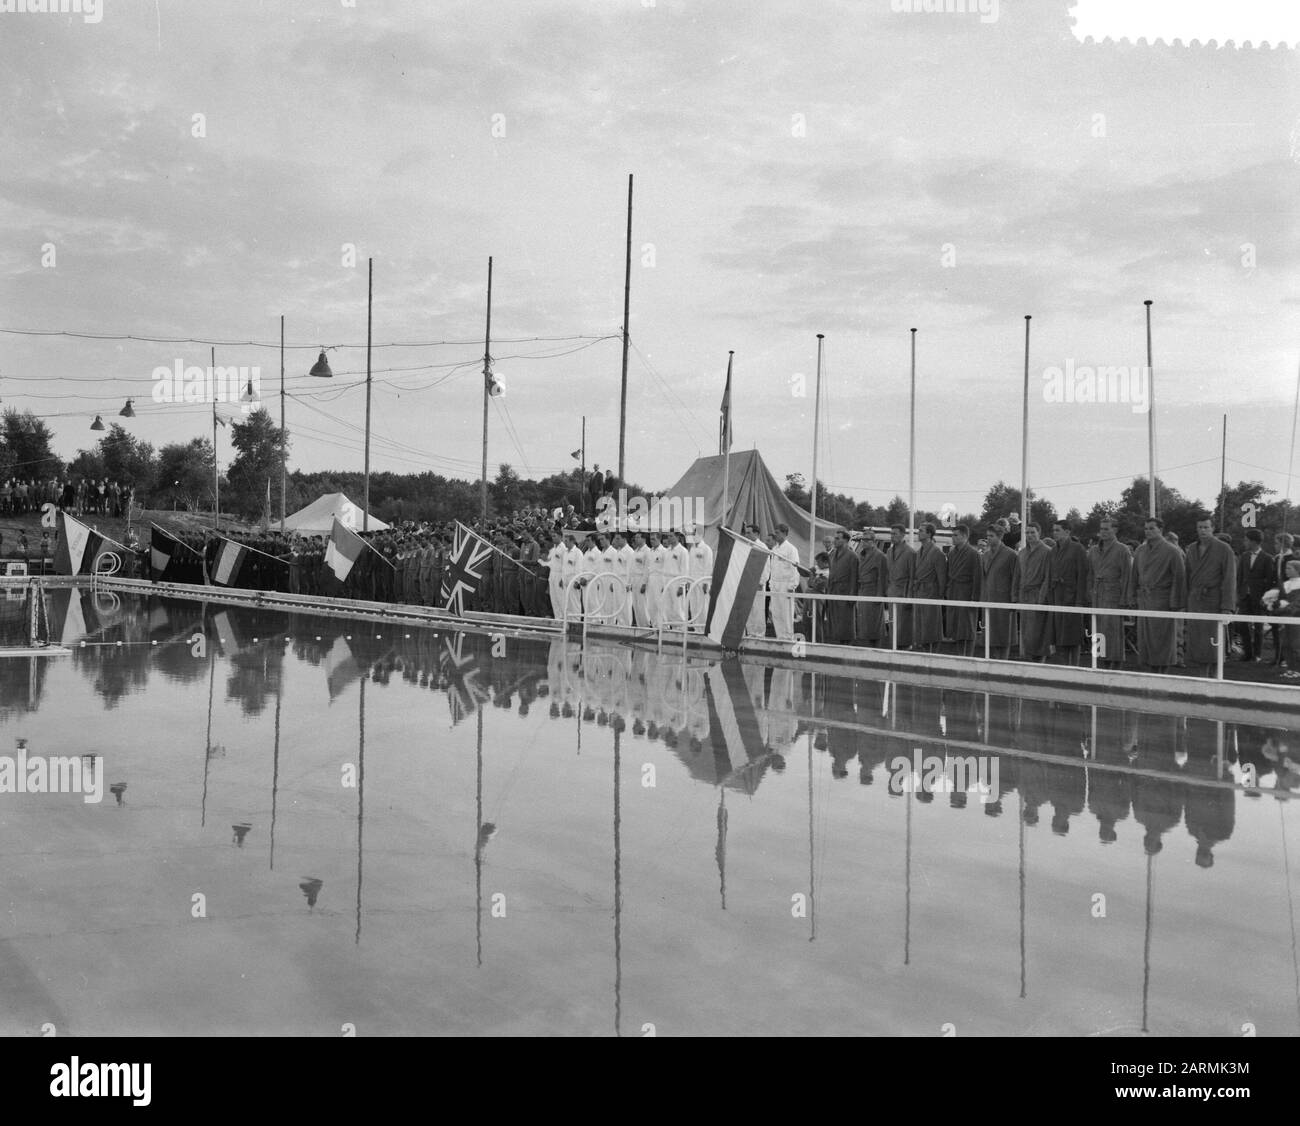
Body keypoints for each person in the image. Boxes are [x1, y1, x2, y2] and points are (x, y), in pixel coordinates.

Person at [1125, 516, 1187, 673]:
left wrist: (1175, 603)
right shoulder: (1140, 550)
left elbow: (1179, 578)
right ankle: (1151, 671)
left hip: (1163, 600)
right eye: (1146, 528)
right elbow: (1134, 576)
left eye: (1152, 528)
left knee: (1162, 639)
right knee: (1145, 639)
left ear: (1161, 530)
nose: (1148, 531)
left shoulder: (1172, 551)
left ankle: (1163, 672)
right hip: (1144, 600)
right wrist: (1132, 596)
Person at [1184, 518, 1237, 676]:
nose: (1203, 530)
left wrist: (1227, 607)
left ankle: (1214, 678)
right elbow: (1187, 576)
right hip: (1195, 600)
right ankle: (1202, 677)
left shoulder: (1224, 549)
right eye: (1200, 527)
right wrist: (1184, 601)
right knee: (1197, 642)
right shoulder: (1192, 549)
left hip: (1214, 600)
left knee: (1214, 642)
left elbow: (1229, 579)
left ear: (1213, 528)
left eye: (1206, 527)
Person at [1086, 517, 1132, 668]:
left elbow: (1127, 576)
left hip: (1113, 595)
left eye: (1107, 529)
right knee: (1098, 632)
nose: (1103, 532)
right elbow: (1090, 575)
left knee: (1113, 632)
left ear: (1115, 530)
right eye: (1101, 529)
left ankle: (1116, 666)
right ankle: (1101, 665)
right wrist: (1089, 593)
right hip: (1097, 595)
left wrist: (1125, 599)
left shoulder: (1122, 550)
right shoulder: (1093, 551)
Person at [1049, 520, 1089, 665]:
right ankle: (1064, 667)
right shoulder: (1053, 550)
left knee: (1073, 636)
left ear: (1067, 531)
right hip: (1057, 597)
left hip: (1072, 597)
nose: (1054, 533)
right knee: (1060, 636)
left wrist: (1079, 602)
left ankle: (1075, 666)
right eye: (1053, 530)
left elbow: (1082, 576)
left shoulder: (1078, 549)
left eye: (1058, 530)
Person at [1013, 522, 1053, 661]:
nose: (1029, 535)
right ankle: (1028, 658)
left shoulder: (1047, 551)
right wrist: (1015, 596)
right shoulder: (1022, 553)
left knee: (1039, 631)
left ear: (1039, 533)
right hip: (1024, 596)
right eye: (1027, 533)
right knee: (1026, 631)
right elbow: (1017, 576)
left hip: (1038, 596)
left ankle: (1040, 661)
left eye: (1032, 532)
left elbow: (1047, 577)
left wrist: (1041, 599)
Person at [1236, 528, 1273, 662]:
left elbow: (1269, 580)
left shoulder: (1267, 558)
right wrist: (1239, 593)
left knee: (1258, 626)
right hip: (1244, 596)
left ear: (1253, 541)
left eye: (1246, 540)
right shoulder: (1244, 556)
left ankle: (1257, 654)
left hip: (1259, 598)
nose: (1244, 542)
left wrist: (1265, 597)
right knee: (1242, 625)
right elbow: (1239, 576)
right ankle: (1247, 652)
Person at [944, 524, 981, 656]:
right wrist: (948, 591)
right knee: (956, 628)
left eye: (956, 535)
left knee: (967, 628)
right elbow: (948, 573)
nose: (953, 538)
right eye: (952, 535)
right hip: (954, 592)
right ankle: (960, 655)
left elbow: (978, 578)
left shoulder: (973, 554)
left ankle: (968, 656)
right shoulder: (952, 553)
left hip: (966, 593)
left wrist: (974, 599)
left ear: (965, 536)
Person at [981, 525, 1017, 659]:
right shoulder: (985, 555)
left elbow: (1015, 578)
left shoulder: (1010, 554)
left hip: (1004, 599)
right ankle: (994, 661)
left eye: (992, 536)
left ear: (1000, 537)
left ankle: (1004, 662)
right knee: (991, 635)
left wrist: (1014, 599)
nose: (988, 539)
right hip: (989, 598)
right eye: (987, 536)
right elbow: (983, 578)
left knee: (1004, 634)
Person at [911, 523, 947, 651]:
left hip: (931, 593)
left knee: (931, 625)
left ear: (929, 534)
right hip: (919, 592)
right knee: (920, 626)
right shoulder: (918, 552)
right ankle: (923, 650)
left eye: (921, 531)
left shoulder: (937, 553)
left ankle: (933, 652)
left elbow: (942, 578)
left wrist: (940, 595)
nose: (918, 533)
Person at [854, 531, 889, 646]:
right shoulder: (861, 555)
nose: (864, 542)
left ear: (873, 542)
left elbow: (882, 577)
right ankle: (867, 646)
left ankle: (877, 647)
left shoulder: (880, 556)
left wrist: (879, 596)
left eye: (867, 540)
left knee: (875, 623)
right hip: (862, 591)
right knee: (864, 623)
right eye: (862, 539)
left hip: (873, 592)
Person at [769, 523, 802, 642]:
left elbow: (795, 569)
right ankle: (780, 637)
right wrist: (771, 584)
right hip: (775, 584)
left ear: (784, 533)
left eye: (777, 533)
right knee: (776, 612)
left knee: (786, 613)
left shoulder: (791, 549)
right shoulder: (775, 548)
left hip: (786, 584)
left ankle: (788, 638)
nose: (775, 535)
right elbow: (772, 567)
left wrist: (792, 586)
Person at [885, 525, 916, 649]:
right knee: (893, 622)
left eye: (895, 534)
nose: (892, 536)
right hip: (892, 591)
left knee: (903, 623)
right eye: (891, 533)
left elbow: (912, 576)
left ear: (903, 535)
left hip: (904, 592)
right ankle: (894, 646)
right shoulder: (888, 551)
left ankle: (905, 647)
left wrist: (909, 596)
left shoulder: (910, 552)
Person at [825, 530, 858, 644]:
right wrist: (828, 591)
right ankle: (839, 644)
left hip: (845, 591)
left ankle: (847, 645)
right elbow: (830, 573)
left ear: (846, 540)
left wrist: (852, 595)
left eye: (838, 538)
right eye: (835, 538)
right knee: (835, 621)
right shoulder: (833, 554)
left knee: (846, 621)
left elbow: (854, 577)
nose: (835, 540)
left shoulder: (852, 556)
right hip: (833, 591)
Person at [745, 524, 771, 639]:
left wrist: (761, 582)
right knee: (749, 608)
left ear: (756, 533)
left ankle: (759, 634)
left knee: (758, 609)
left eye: (749, 533)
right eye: (746, 533)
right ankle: (751, 632)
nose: (747, 535)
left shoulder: (762, 547)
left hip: (758, 582)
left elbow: (766, 567)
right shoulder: (747, 545)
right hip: (747, 581)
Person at [661, 530, 690, 625]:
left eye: (671, 536)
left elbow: (684, 569)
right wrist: (663, 584)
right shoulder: (667, 551)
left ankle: (681, 630)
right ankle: (672, 629)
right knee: (667, 607)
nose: (669, 538)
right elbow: (664, 568)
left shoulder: (683, 551)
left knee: (678, 607)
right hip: (667, 580)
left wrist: (682, 586)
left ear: (677, 537)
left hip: (677, 581)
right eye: (668, 536)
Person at [687, 532, 714, 631]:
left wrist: (706, 583)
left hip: (702, 580)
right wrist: (688, 581)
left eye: (696, 535)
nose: (694, 537)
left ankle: (704, 628)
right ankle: (696, 628)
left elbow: (708, 566)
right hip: (692, 579)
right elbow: (689, 566)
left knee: (702, 606)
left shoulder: (706, 549)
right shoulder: (692, 549)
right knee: (693, 605)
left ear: (701, 535)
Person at [614, 531, 636, 627]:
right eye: (616, 539)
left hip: (625, 581)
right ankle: (620, 624)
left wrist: (629, 583)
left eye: (618, 539)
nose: (616, 541)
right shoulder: (618, 551)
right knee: (618, 604)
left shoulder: (629, 551)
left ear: (624, 539)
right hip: (617, 579)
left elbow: (630, 569)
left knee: (626, 605)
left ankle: (627, 625)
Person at [630, 531, 650, 627]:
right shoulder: (635, 551)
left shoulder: (647, 551)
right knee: (636, 605)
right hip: (634, 579)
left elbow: (647, 568)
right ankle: (639, 625)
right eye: (635, 537)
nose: (636, 539)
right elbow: (632, 568)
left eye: (638, 537)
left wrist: (644, 583)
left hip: (641, 578)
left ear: (643, 539)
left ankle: (645, 625)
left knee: (643, 605)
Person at [646, 532, 666, 627]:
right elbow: (647, 568)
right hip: (651, 579)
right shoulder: (650, 551)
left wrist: (664, 584)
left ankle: (664, 627)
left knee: (660, 605)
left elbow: (666, 568)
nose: (651, 541)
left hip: (660, 579)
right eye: (650, 539)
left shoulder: (664, 551)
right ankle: (654, 626)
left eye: (654, 539)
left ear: (659, 539)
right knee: (650, 605)